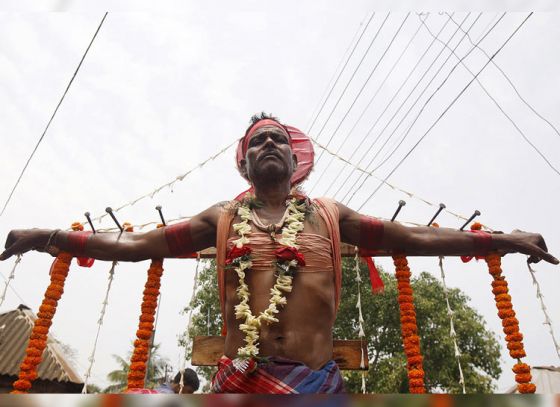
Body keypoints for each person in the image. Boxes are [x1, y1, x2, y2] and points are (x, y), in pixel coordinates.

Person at [1, 113, 557, 394]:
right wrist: (50, 238)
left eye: (278, 140)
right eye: (257, 142)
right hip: (237, 383)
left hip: (316, 387)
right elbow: (132, 244)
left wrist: (500, 240)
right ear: (244, 165)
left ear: (296, 161)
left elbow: (412, 237)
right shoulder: (220, 218)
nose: (268, 145)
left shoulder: (331, 215)